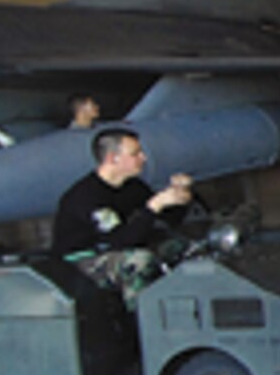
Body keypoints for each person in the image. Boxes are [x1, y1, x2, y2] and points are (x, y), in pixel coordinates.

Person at [51, 128, 192, 305]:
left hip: (117, 248)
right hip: (81, 260)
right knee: (138, 261)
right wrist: (153, 206)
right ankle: (139, 320)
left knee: (179, 247)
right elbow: (120, 240)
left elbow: (169, 220)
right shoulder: (86, 197)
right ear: (112, 158)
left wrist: (180, 197)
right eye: (135, 154)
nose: (143, 158)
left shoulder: (133, 187)